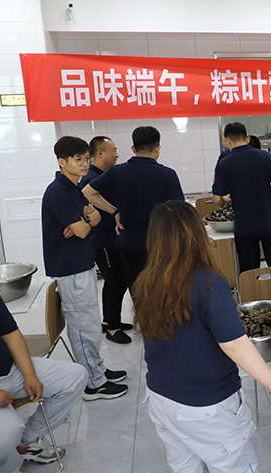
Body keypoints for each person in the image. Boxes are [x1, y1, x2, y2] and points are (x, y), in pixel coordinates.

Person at [133, 201, 271, 473]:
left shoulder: (146, 282)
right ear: (196, 235)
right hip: (207, 407)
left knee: (186, 468)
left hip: (161, 399)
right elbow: (235, 345)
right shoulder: (208, 283)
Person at [42, 136, 128, 401]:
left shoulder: (74, 187)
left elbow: (95, 217)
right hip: (70, 269)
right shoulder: (58, 191)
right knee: (83, 327)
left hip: (82, 264)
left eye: (86, 159)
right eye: (78, 159)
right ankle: (92, 384)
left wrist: (84, 220)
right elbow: (82, 229)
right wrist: (85, 221)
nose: (84, 164)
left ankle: (97, 369)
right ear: (62, 162)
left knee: (90, 323)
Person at [0, 283, 88, 473]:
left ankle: (26, 441)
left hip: (10, 369)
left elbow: (11, 334)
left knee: (75, 377)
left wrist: (30, 374)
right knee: (6, 433)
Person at [82, 126, 185, 292]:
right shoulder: (167, 174)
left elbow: (87, 192)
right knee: (163, 290)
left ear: (133, 148)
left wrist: (115, 211)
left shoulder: (116, 172)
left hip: (128, 242)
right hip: (160, 242)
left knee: (137, 290)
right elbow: (181, 211)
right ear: (157, 148)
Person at [79, 136, 133, 344]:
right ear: (100, 153)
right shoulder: (91, 179)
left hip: (110, 239)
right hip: (103, 241)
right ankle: (113, 328)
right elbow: (88, 202)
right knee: (117, 282)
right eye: (114, 150)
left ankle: (108, 321)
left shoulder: (101, 175)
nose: (117, 155)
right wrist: (115, 211)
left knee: (113, 282)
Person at [212, 122, 271, 272]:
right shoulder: (264, 156)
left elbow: (216, 199)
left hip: (244, 227)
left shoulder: (224, 163)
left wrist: (226, 198)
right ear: (247, 138)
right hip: (270, 224)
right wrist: (268, 187)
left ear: (228, 140)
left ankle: (252, 289)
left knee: (249, 272)